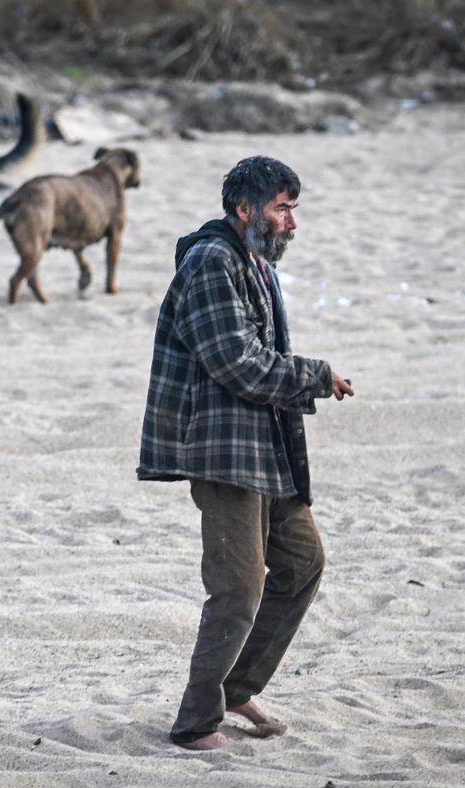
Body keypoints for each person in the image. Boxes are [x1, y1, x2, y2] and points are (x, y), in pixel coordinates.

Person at [136, 155, 354, 750]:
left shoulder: (253, 262)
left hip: (265, 447)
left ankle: (236, 688)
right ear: (244, 210)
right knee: (237, 590)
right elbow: (237, 363)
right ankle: (196, 723)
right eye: (282, 209)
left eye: (292, 210)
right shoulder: (211, 262)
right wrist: (316, 374)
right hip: (222, 449)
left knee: (302, 563)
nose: (291, 221)